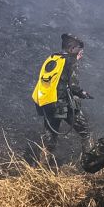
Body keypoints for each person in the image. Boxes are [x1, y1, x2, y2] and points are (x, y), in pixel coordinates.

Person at [31, 33, 93, 161]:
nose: (79, 52)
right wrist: (83, 93)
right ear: (71, 48)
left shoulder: (52, 58)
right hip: (63, 105)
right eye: (78, 49)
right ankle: (90, 164)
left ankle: (40, 169)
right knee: (86, 133)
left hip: (48, 104)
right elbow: (74, 86)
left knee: (49, 141)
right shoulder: (71, 61)